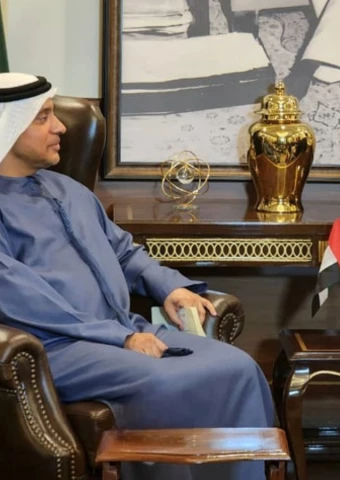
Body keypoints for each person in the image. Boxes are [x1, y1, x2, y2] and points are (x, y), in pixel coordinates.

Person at [0, 72, 274, 480]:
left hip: (123, 328)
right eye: (43, 118)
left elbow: (125, 253)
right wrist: (121, 338)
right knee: (164, 382)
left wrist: (171, 288)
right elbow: (21, 299)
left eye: (54, 114)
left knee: (240, 367)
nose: (59, 128)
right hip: (54, 346)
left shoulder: (70, 190)